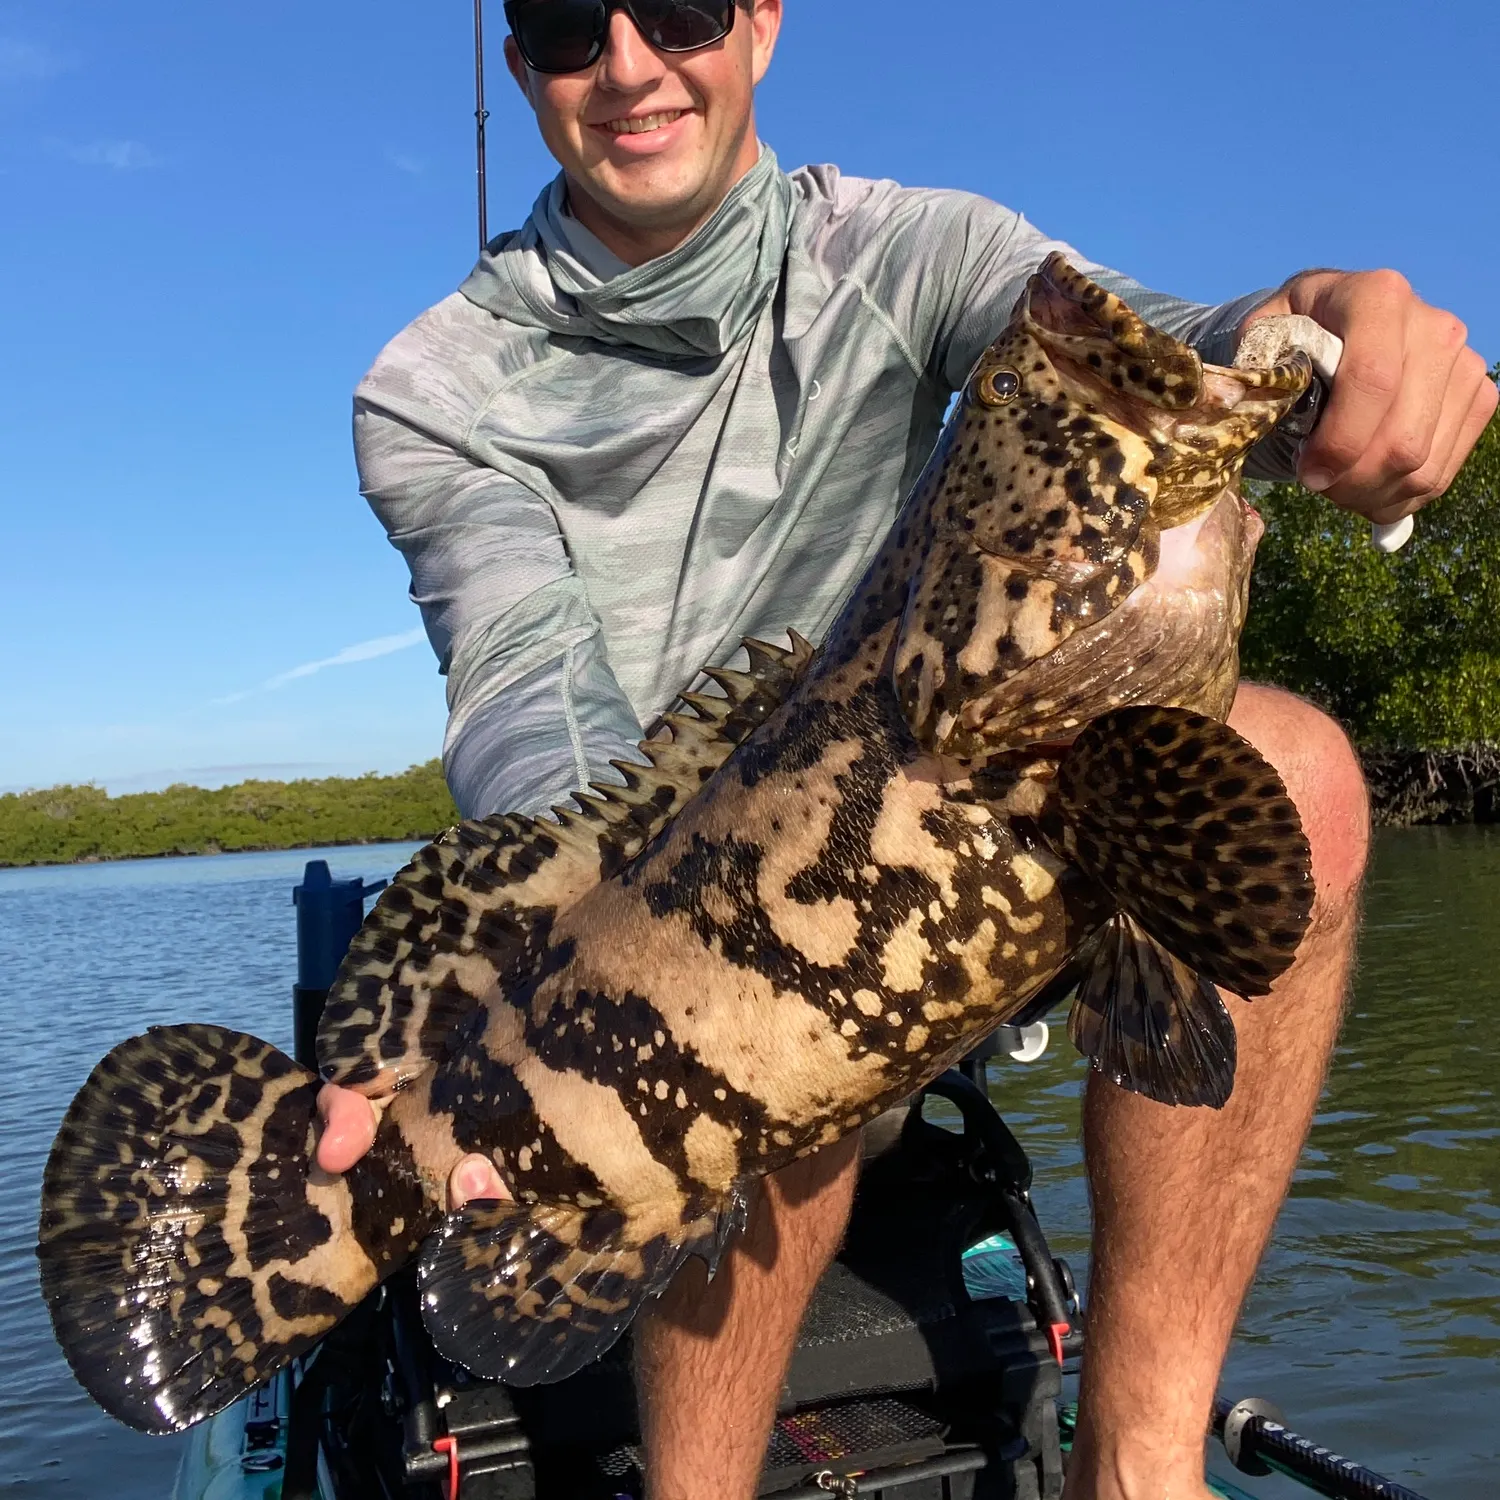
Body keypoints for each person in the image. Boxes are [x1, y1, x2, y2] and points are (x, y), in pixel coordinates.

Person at [315, 3, 1496, 1496]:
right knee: (777, 936)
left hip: (970, 794)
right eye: (562, 22)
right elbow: (526, 691)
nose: (624, 64)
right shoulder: (431, 388)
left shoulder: (904, 250)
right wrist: (535, 1007)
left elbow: (1171, 349)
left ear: (760, 21)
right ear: (516, 63)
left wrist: (1315, 332)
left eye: (675, 6)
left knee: (1301, 776)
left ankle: (1137, 1465)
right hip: (675, 906)